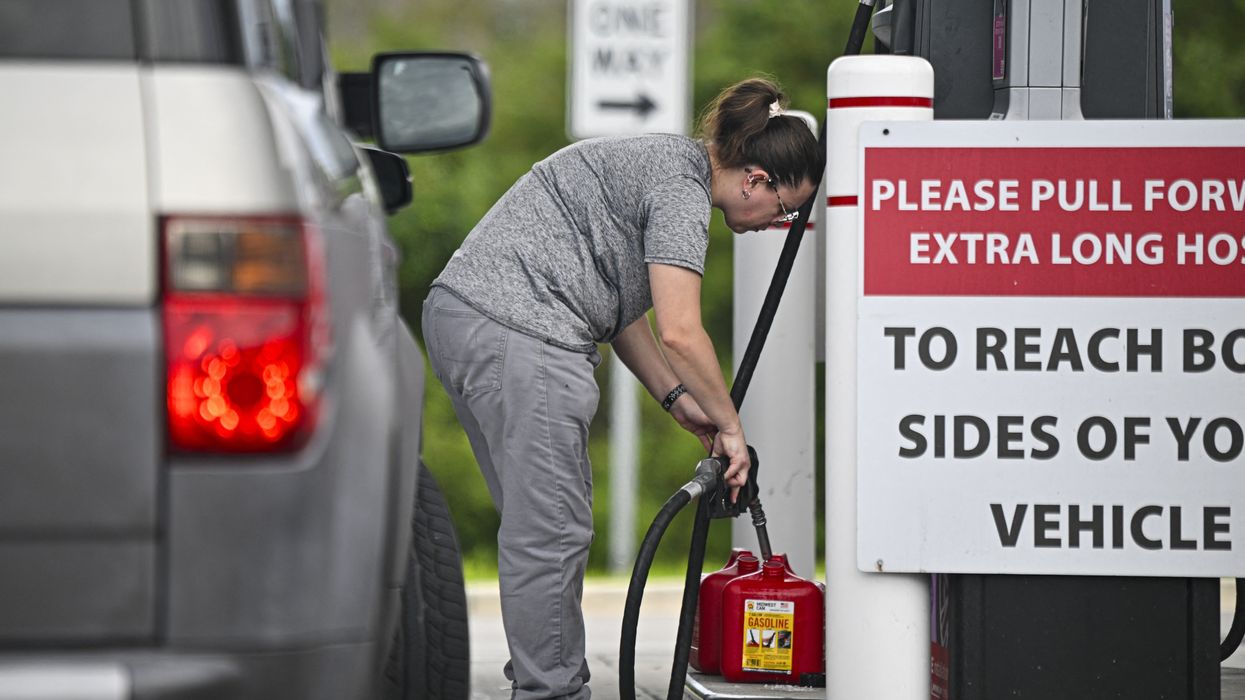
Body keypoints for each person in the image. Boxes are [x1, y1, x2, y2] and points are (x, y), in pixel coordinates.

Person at [421, 76, 823, 699]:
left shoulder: (665, 164)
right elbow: (681, 331)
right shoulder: (682, 190)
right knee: (551, 531)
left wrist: (678, 402)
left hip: (471, 318)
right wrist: (732, 428)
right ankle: (551, 692)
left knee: (544, 526)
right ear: (755, 180)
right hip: (522, 328)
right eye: (786, 207)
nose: (781, 221)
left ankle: (548, 683)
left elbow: (620, 312)